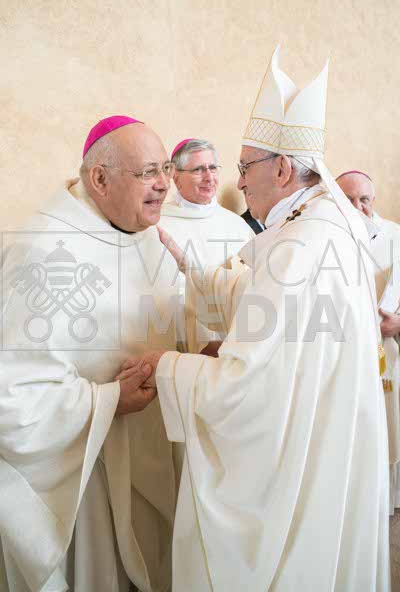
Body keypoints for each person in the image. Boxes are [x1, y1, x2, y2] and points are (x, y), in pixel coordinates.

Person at [118, 46, 390, 590]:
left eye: (244, 168)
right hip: (331, 431)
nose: (238, 183)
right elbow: (274, 309)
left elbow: (242, 387)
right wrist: (196, 271)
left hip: (303, 450)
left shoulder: (300, 244)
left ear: (283, 168)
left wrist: (168, 367)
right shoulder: (326, 225)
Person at [0, 116, 180, 592]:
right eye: (148, 172)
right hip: (86, 475)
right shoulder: (43, 250)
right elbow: (13, 397)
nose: (165, 184)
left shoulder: (151, 238)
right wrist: (107, 400)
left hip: (151, 452)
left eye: (166, 168)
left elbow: (166, 322)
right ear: (100, 179)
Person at [338, 169, 400, 512]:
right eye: (348, 199)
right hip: (344, 352)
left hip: (389, 350)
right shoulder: (328, 238)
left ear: (373, 200)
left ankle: (388, 499)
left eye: (364, 199)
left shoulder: (395, 236)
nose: (357, 207)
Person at [160, 138, 253, 352]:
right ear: (176, 176)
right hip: (182, 340)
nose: (209, 177)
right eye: (198, 170)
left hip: (236, 339)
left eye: (212, 168)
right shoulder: (160, 225)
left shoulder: (237, 225)